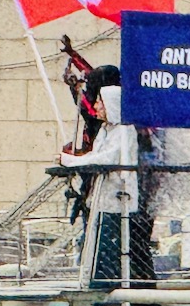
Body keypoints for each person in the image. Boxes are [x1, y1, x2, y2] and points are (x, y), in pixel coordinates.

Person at [60, 84, 148, 288]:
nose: (96, 105)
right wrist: (74, 159)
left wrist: (71, 162)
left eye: (100, 101)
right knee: (95, 247)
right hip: (100, 201)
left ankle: (109, 294)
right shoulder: (105, 130)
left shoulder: (125, 132)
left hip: (117, 203)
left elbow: (106, 159)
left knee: (109, 250)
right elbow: (94, 156)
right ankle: (95, 288)